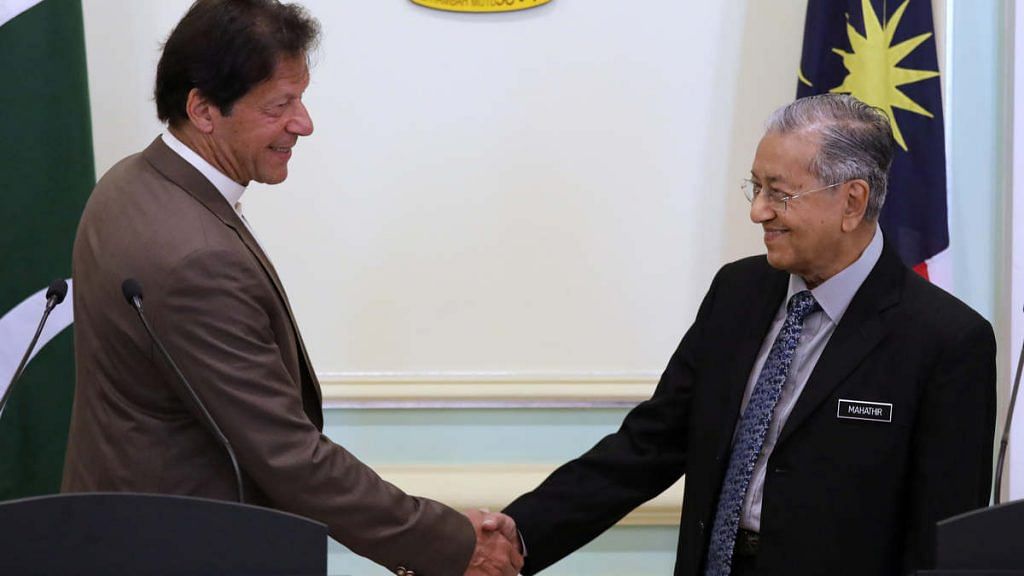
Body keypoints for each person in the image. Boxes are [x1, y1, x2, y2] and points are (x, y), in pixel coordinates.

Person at [61, 2, 522, 575]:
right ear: (203, 109)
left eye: (300, 98)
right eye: (280, 105)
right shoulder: (195, 256)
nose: (304, 123)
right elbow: (287, 457)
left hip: (121, 534)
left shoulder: (130, 183)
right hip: (188, 548)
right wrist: (453, 544)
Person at [500, 94, 996, 576]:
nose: (757, 211)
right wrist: (519, 537)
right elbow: (648, 446)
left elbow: (940, 536)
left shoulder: (945, 341)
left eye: (779, 194)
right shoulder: (737, 292)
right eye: (755, 188)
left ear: (852, 201)